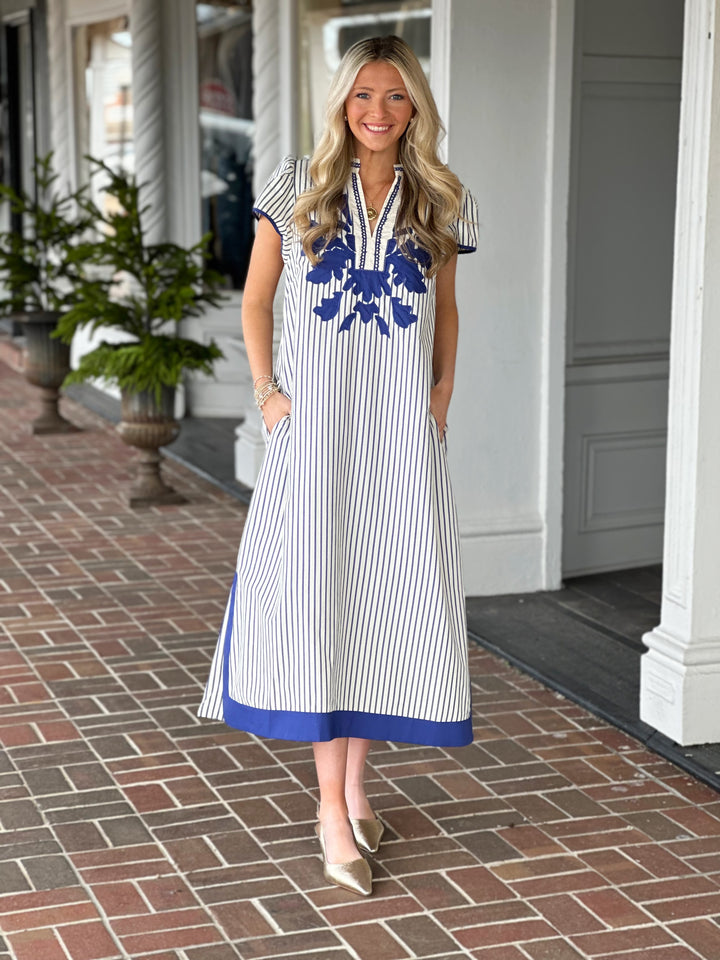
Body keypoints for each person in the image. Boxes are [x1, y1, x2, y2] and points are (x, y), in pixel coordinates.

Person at [198, 34, 478, 898]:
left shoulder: (443, 198)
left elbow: (448, 313)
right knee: (319, 595)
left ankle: (358, 792)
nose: (379, 113)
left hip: (397, 440)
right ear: (341, 103)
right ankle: (329, 809)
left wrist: (439, 398)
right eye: (363, 96)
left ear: (416, 106)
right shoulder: (296, 186)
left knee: (379, 602)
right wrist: (268, 393)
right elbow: (254, 299)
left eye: (395, 97)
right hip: (314, 437)